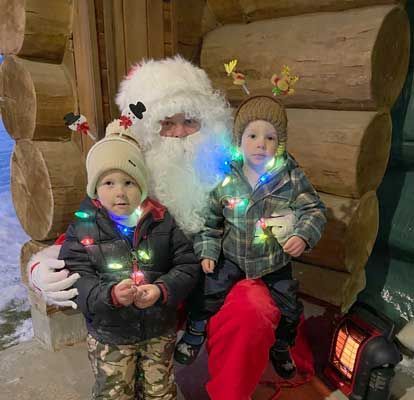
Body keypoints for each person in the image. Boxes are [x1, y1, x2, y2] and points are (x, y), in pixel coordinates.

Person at [28, 56, 317, 400]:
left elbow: (283, 187)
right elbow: (92, 226)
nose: (179, 134)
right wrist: (38, 266)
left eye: (190, 121)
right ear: (147, 132)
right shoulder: (131, 177)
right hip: (152, 289)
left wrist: (294, 225)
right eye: (167, 123)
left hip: (218, 279)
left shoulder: (233, 169)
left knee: (253, 308)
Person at [174, 96, 327, 379]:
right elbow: (210, 222)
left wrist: (303, 236)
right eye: (252, 135)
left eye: (270, 137)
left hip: (273, 260)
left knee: (290, 306)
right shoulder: (226, 178)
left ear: (279, 144)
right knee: (208, 289)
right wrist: (208, 251)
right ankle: (195, 330)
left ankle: (282, 344)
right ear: (239, 140)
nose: (261, 143)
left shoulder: (289, 176)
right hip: (232, 254)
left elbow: (314, 210)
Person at [59, 125, 200, 399]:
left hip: (158, 330)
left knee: (160, 392)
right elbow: (77, 278)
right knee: (114, 393)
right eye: (109, 183)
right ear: (95, 189)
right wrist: (110, 295)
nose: (120, 192)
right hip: (110, 336)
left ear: (142, 185)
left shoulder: (163, 220)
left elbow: (187, 265)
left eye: (129, 182)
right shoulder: (83, 227)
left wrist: (161, 289)